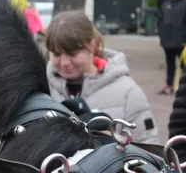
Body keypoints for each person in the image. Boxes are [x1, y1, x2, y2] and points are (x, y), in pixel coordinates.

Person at [46, 10, 160, 145]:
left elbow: (149, 152)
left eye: (72, 53)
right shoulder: (40, 87)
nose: (64, 62)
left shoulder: (128, 93)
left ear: (92, 45)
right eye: (57, 54)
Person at [158, 0, 186, 95]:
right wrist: (162, 37)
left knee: (184, 65)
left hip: (182, 42)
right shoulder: (165, 4)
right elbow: (160, 21)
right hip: (167, 42)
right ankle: (169, 86)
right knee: (170, 65)